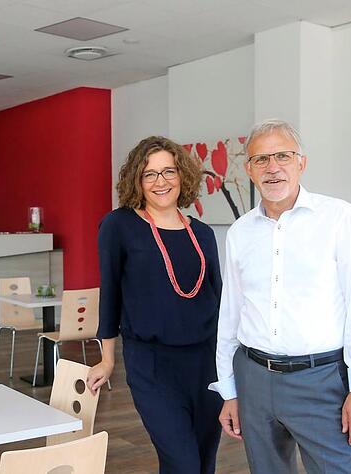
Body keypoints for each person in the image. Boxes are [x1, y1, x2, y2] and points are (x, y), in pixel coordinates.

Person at [211, 120, 351, 474]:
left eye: (283, 155)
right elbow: (231, 313)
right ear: (248, 169)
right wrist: (229, 391)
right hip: (254, 379)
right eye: (261, 159)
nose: (273, 167)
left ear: (301, 163)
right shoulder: (240, 232)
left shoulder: (339, 218)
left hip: (320, 380)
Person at [87, 136, 224, 473]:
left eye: (168, 172)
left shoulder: (203, 233)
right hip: (151, 363)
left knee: (204, 462)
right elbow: (111, 294)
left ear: (183, 176)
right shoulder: (119, 226)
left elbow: (220, 298)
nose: (161, 182)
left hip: (207, 364)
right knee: (183, 463)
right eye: (150, 174)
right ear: (137, 181)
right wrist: (107, 360)